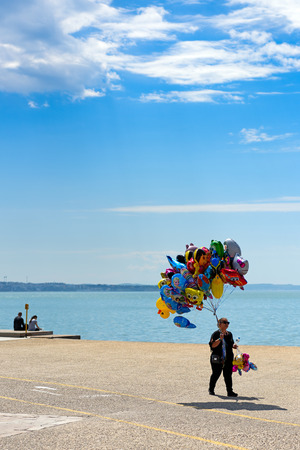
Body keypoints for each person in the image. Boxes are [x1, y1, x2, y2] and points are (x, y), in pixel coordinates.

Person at [208, 317, 238, 397]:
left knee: (228, 375)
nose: (227, 324)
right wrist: (220, 339)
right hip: (217, 358)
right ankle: (211, 389)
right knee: (216, 374)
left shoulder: (229, 334)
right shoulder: (215, 334)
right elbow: (213, 346)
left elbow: (230, 344)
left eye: (228, 322)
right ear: (220, 324)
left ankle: (230, 391)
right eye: (225, 322)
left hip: (228, 358)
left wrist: (234, 346)